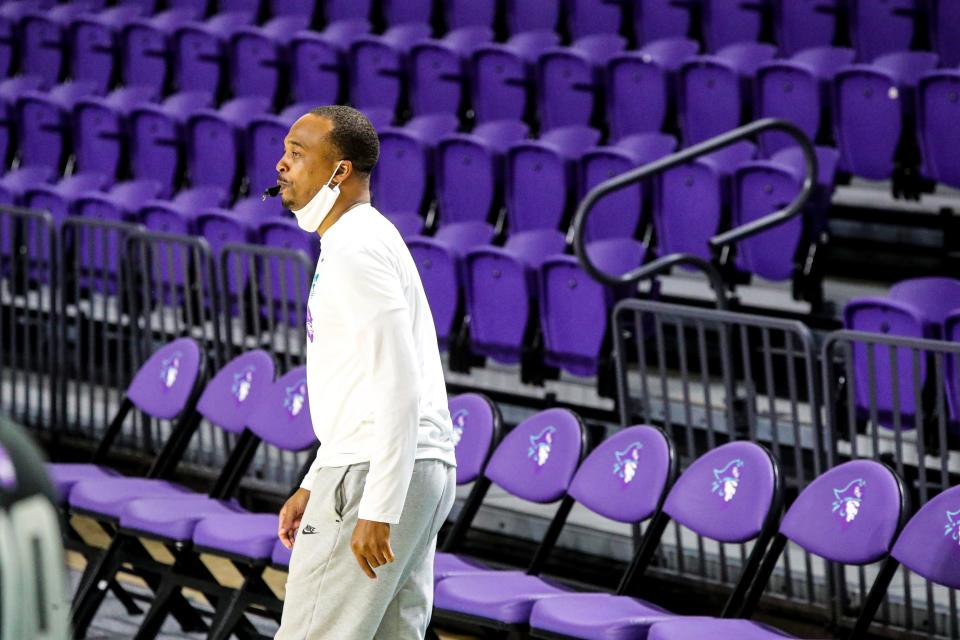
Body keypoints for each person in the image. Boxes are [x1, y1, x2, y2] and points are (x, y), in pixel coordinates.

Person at [273, 105, 457, 640]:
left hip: (375, 470)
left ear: (339, 171)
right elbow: (361, 384)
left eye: (297, 154)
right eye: (285, 152)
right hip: (405, 465)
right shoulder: (361, 238)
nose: (282, 165)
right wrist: (314, 479)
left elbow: (398, 384)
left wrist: (378, 506)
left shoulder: (355, 248)